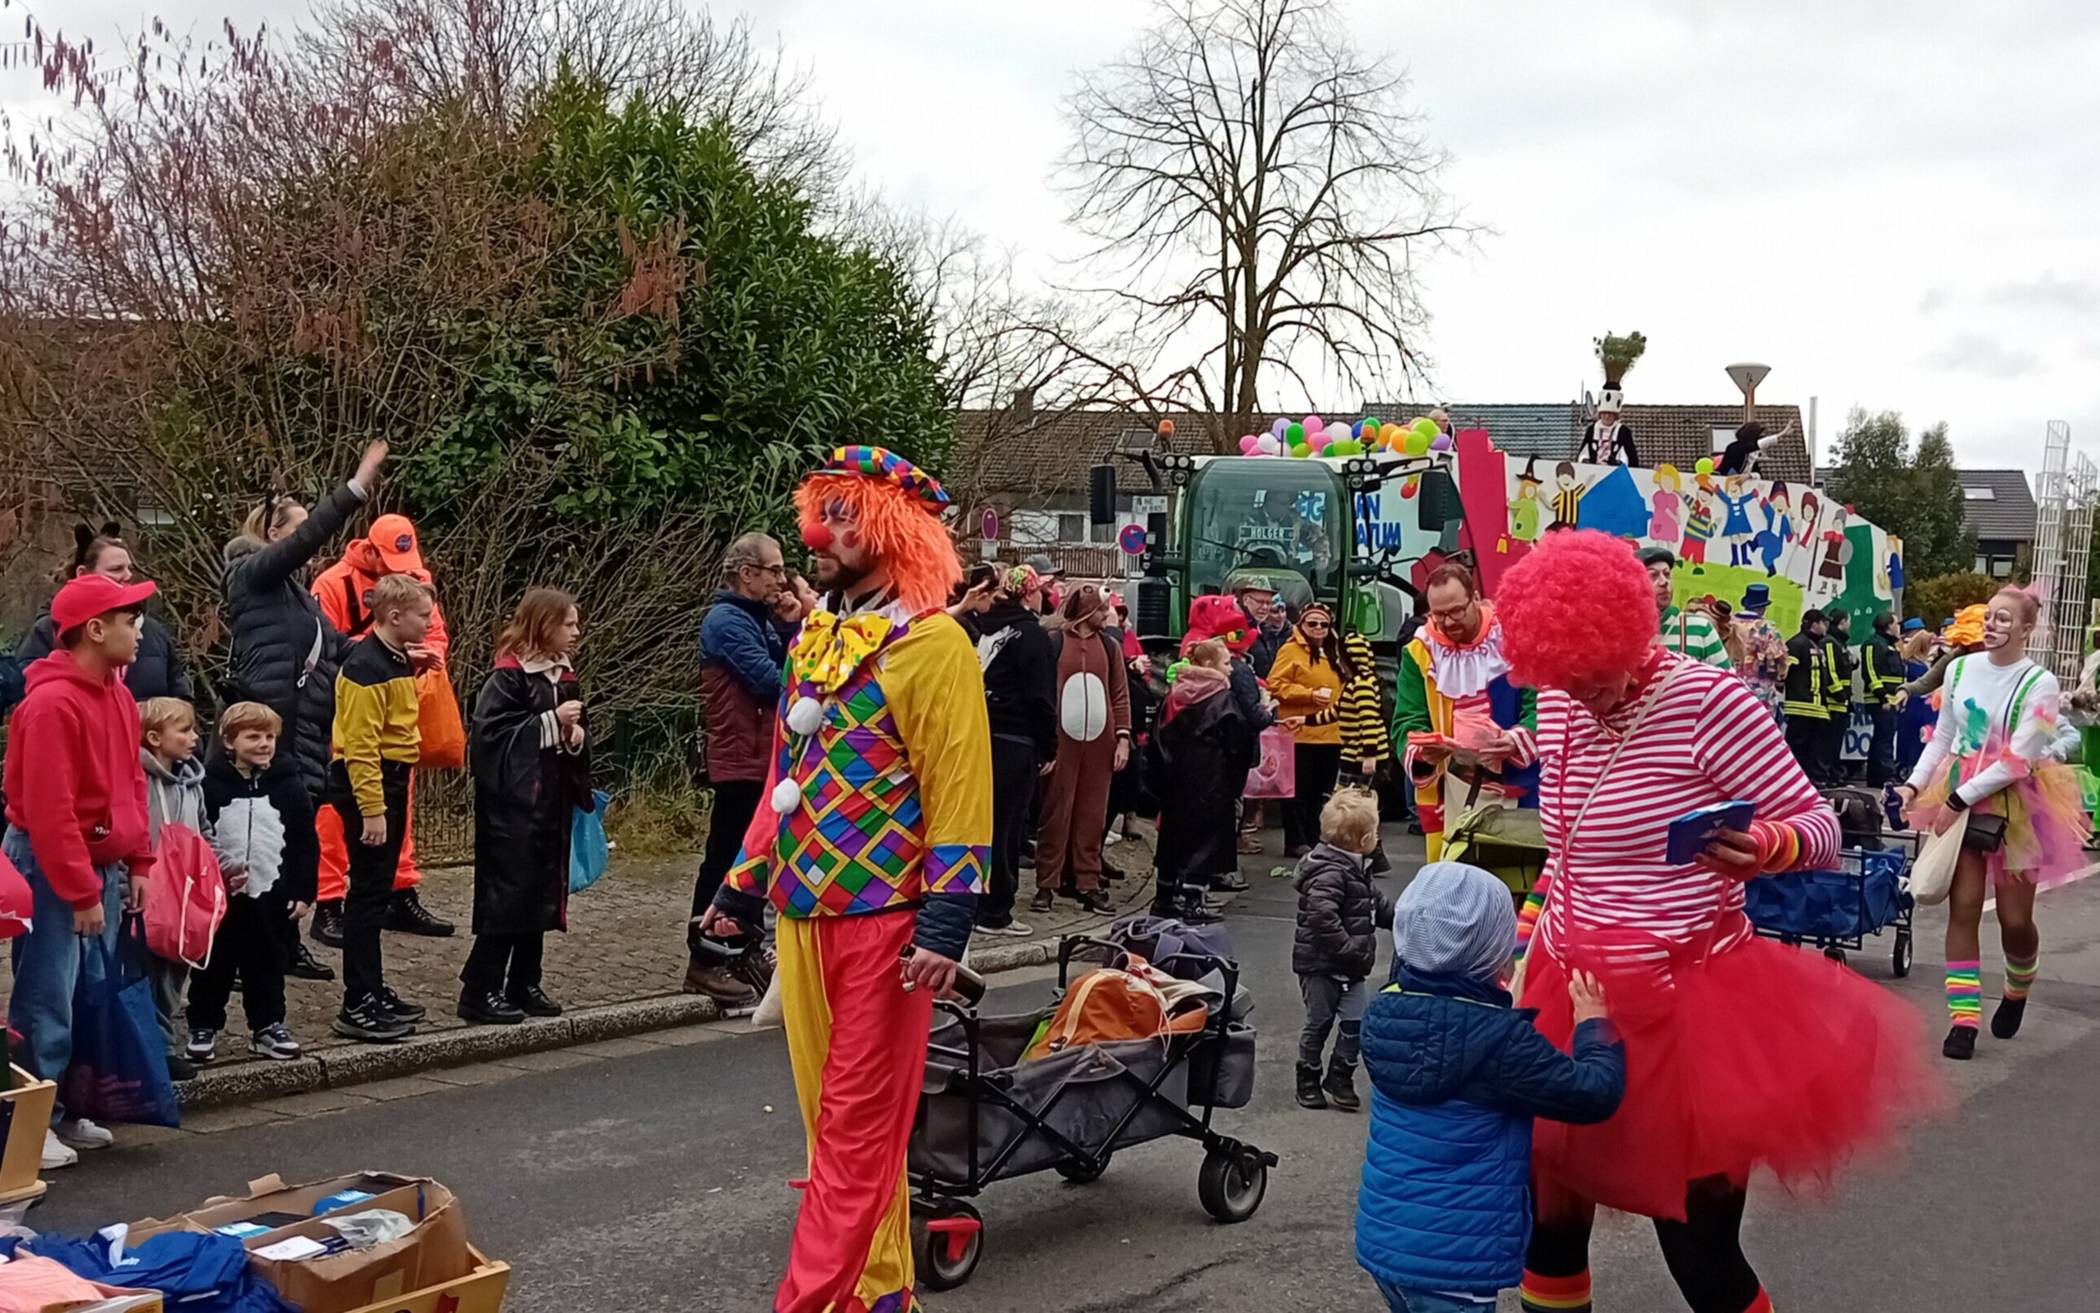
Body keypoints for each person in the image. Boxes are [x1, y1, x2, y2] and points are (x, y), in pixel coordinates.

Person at [1492, 531, 1929, 1313]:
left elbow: (1821, 829)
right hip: (1569, 991)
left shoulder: (1709, 702)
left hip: (1684, 1005)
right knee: (1550, 1225)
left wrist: (1766, 845)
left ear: (1630, 633)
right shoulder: (1558, 699)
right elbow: (1569, 852)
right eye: (1563, 680)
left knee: (1698, 1245)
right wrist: (1523, 948)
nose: (1582, 697)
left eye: (1594, 676)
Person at [696, 445, 990, 1313]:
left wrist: (946, 925)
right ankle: (880, 1291)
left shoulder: (932, 644)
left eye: (843, 518)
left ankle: (811, 1301)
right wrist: (742, 885)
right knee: (834, 1128)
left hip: (887, 925)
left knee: (855, 1134)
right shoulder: (815, 634)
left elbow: (961, 790)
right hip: (801, 915)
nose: (818, 536)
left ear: (894, 533)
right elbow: (785, 777)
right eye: (819, 515)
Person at [1356, 862, 1626, 1313]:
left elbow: (1447, 1022)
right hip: (1455, 1267)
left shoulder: (1384, 1011)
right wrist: (1594, 1026)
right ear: (1493, 951)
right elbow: (1593, 1093)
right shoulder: (1502, 1042)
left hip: (1386, 1247)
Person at [4, 573, 159, 1170]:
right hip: (53, 866)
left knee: (88, 992)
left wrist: (138, 859)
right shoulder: (51, 705)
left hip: (98, 865)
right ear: (94, 630)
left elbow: (131, 782)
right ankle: (29, 1122)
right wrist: (80, 891)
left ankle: (68, 1107)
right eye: (127, 619)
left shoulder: (116, 693)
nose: (139, 630)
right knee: (47, 994)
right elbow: (50, 811)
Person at [1897, 586, 2090, 1062]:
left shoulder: (2040, 683)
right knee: (1962, 907)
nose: (1993, 625)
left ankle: (2018, 986)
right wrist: (1914, 786)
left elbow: (2019, 759)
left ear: (2026, 629)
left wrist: (1958, 798)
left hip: (2017, 802)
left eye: (2005, 619)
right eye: (1989, 617)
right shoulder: (1960, 669)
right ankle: (1963, 1021)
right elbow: (1943, 738)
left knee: (2015, 920)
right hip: (1960, 798)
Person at [224, 442, 392, 985]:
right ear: (276, 535)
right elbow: (308, 538)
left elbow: (335, 646)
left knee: (294, 837)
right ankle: (251, 951)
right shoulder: (251, 575)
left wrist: (391, 649)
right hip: (277, 726)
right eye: (296, 533)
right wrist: (356, 487)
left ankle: (284, 942)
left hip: (308, 729)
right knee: (267, 839)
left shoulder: (296, 596)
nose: (311, 550)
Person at [308, 513, 455, 945]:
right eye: (391, 562)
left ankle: (400, 890)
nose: (401, 571)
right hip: (350, 707)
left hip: (402, 705)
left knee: (399, 801)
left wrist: (421, 659)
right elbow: (322, 647)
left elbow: (436, 633)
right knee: (338, 810)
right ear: (369, 551)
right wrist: (384, 652)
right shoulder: (333, 585)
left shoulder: (416, 581)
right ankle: (329, 900)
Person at [461, 588, 594, 1026]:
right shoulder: (508, 677)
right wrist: (552, 723)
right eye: (569, 624)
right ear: (545, 625)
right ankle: (480, 988)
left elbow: (574, 735)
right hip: (510, 811)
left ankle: (524, 980)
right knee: (508, 897)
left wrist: (575, 739)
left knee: (540, 894)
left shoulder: (563, 675)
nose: (576, 632)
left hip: (549, 805)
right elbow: (489, 741)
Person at [689, 531, 795, 1007]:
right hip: (740, 758)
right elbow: (774, 683)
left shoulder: (756, 619)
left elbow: (785, 668)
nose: (781, 579)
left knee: (751, 860)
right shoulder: (727, 622)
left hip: (757, 757)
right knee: (726, 859)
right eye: (774, 570)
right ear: (746, 573)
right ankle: (706, 959)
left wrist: (790, 629)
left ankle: (739, 953)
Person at [327, 572, 433, 1045]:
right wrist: (373, 809)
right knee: (368, 896)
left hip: (391, 778)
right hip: (370, 784)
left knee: (377, 892)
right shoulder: (367, 667)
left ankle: (372, 987)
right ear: (393, 616)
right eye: (422, 616)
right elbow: (361, 746)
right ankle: (358, 1000)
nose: (429, 624)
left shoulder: (394, 658)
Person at [190, 701, 311, 1065]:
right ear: (230, 741)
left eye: (269, 737)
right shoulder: (209, 784)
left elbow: (304, 840)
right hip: (221, 897)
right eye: (253, 736)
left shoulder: (289, 784)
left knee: (269, 961)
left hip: (271, 894)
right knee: (214, 963)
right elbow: (199, 835)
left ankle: (268, 1025)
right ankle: (203, 1024)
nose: (263, 744)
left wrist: (304, 891)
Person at [1395, 563, 1538, 861]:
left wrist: (1515, 740)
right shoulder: (1420, 651)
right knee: (1453, 878)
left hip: (1519, 784)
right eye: (1438, 614)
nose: (1447, 622)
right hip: (1451, 790)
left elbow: (1540, 705)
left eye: (1456, 611)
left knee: (1518, 873)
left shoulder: (1514, 639)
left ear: (1475, 598)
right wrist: (1423, 752)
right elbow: (1407, 719)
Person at [1031, 584, 1130, 917]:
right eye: (1101, 609)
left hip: (1100, 744)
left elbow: (1119, 694)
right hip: (1062, 742)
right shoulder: (1055, 642)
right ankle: (1047, 883)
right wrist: (1045, 743)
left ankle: (1088, 882)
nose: (1107, 614)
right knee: (1055, 813)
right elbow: (1043, 693)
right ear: (1087, 611)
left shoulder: (1110, 647)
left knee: (1092, 814)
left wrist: (1123, 737)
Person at [1291, 789, 1392, 1113]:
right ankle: (1308, 1075)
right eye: (1375, 832)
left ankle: (1340, 1075)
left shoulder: (1357, 868)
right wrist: (1349, 948)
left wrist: (1403, 918)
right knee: (1319, 1021)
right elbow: (1322, 917)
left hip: (1352, 965)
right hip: (1320, 965)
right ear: (1362, 840)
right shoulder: (1330, 873)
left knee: (1355, 1021)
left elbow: (1375, 903)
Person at [970, 565, 1055, 936]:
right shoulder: (1031, 635)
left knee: (981, 823)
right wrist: (1049, 746)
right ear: (1028, 594)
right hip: (1016, 738)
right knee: (1007, 827)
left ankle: (972, 901)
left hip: (979, 735)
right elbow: (1041, 696)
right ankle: (995, 912)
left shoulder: (983, 627)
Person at [17, 524, 192, 703]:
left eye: (130, 568)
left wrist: (172, 713)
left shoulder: (154, 632)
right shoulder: (47, 632)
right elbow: (22, 693)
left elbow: (179, 690)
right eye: (116, 569)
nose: (128, 576)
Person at [1148, 638, 1256, 924]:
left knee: (1172, 838)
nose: (1231, 669)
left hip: (1174, 782)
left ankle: (1164, 896)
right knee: (1205, 843)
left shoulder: (1174, 694)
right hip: (1211, 781)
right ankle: (1194, 900)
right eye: (1226, 663)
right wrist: (1234, 781)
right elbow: (1238, 745)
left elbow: (1157, 738)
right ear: (1209, 665)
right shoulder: (1222, 698)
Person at [139, 696, 208, 1081]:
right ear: (154, 738)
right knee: (148, 971)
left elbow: (204, 830)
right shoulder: (139, 782)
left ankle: (162, 1042)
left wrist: (220, 866)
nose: (194, 737)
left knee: (175, 972)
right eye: (184, 730)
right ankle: (155, 1048)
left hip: (187, 895)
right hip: (149, 892)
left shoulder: (192, 784)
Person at [1270, 603, 1351, 858]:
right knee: (1297, 792)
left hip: (1331, 733)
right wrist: (1309, 694)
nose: (1318, 628)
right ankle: (1295, 840)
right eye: (1312, 623)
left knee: (1321, 792)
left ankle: (1315, 838)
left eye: (1324, 624)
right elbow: (1275, 684)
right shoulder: (1290, 650)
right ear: (1302, 624)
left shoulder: (1336, 651)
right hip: (1300, 734)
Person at [1640, 548, 1726, 668]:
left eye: (1667, 574)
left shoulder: (1700, 628)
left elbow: (1727, 677)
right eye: (1653, 576)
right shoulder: (1623, 632)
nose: (1664, 582)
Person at [1782, 609, 1830, 783]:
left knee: (1814, 747)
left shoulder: (1816, 644)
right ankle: (1792, 780)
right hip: (1800, 706)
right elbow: (1786, 672)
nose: (1825, 627)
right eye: (1823, 623)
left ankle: (1810, 779)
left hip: (1816, 707)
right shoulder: (1796, 644)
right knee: (1798, 746)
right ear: (1814, 624)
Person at [1729, 585, 1788, 723]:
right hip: (1759, 691)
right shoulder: (1766, 629)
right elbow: (1781, 660)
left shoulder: (1729, 624)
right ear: (1762, 608)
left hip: (1729, 686)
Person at [1860, 613, 1906, 786]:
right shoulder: (1873, 644)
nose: (1899, 627)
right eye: (1896, 623)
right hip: (1880, 700)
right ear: (1888, 626)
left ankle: (1877, 777)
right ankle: (1886, 776)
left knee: (1884, 737)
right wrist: (1883, 697)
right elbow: (1870, 671)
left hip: (1892, 699)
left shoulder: (1891, 646)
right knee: (1884, 739)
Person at [1821, 610, 1857, 782]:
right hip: (1833, 701)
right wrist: (1839, 693)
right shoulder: (1830, 642)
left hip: (1842, 700)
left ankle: (1834, 773)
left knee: (1836, 741)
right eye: (1848, 621)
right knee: (1829, 741)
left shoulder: (1840, 643)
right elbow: (1830, 670)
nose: (1849, 624)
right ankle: (1828, 774)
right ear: (1842, 622)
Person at [1575, 395, 1638, 467]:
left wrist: (1617, 463)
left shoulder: (1623, 431)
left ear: (1615, 415)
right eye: (1604, 413)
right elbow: (1582, 455)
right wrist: (1585, 461)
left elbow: (1630, 459)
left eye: (1610, 413)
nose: (1607, 416)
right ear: (1600, 414)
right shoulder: (1592, 430)